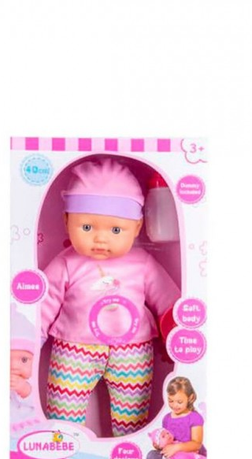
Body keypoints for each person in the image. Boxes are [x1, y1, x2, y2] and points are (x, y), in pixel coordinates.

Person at [41, 159, 180, 437]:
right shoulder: (66, 263)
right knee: (62, 417)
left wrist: (176, 335)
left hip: (132, 351)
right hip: (73, 349)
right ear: (67, 221)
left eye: (116, 230)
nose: (100, 239)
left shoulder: (142, 263)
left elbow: (169, 302)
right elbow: (41, 305)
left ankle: (129, 451)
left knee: (134, 424)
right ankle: (67, 449)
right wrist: (26, 343)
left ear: (137, 227)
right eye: (87, 227)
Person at [147, 376, 206, 459]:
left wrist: (177, 447)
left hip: (192, 457)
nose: (174, 405)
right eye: (171, 401)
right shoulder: (167, 419)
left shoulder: (194, 417)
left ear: (190, 398)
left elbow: (197, 444)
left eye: (179, 402)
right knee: (151, 456)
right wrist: (159, 445)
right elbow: (164, 442)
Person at [10, 304, 40, 435]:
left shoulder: (33, 381)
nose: (14, 366)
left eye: (23, 360)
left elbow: (37, 403)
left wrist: (24, 389)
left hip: (30, 426)